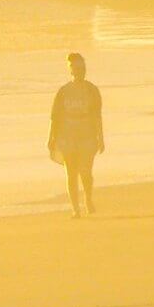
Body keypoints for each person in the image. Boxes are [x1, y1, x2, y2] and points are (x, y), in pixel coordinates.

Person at [48, 52, 103, 218]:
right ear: (71, 70)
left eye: (83, 68)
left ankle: (87, 198)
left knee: (85, 171)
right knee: (71, 172)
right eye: (77, 68)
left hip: (87, 135)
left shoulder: (92, 90)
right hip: (67, 136)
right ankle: (75, 209)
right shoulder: (63, 91)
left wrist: (101, 138)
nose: (81, 71)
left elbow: (97, 115)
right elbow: (55, 116)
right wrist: (51, 138)